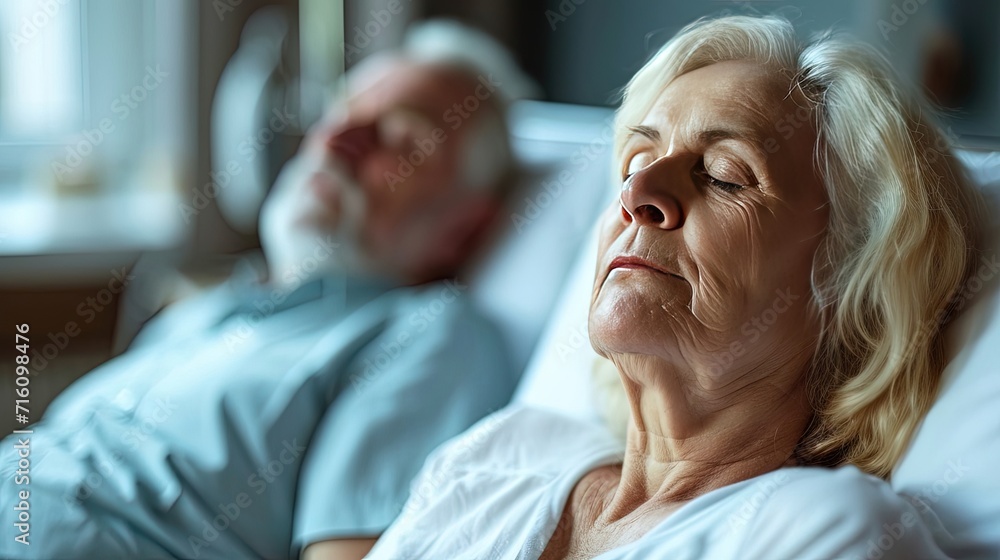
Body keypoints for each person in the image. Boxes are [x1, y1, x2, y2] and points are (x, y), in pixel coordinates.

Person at [365, 15, 985, 559]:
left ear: (854, 288)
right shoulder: (497, 458)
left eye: (724, 176)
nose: (636, 194)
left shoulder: (818, 533)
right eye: (636, 163)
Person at [0, 20, 534, 560]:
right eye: (342, 110)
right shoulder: (201, 309)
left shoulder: (428, 334)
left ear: (462, 227)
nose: (337, 138)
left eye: (402, 137)